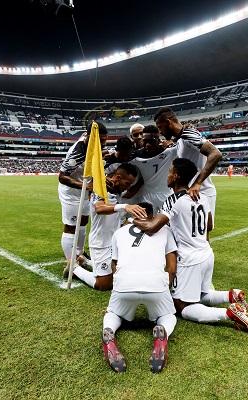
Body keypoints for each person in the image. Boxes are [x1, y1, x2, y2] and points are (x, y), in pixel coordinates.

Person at [131, 158, 248, 336]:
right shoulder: (202, 196)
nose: (167, 176)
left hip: (189, 259)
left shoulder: (172, 200)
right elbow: (209, 225)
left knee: (180, 305)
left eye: (169, 172)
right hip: (206, 253)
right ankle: (232, 295)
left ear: (175, 176)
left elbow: (153, 227)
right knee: (200, 294)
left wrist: (133, 219)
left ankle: (229, 313)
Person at [102, 202, 178, 373]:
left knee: (113, 313)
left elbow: (115, 264)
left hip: (124, 285)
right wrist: (166, 289)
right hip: (156, 285)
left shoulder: (119, 232)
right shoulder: (165, 230)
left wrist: (119, 289)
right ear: (152, 216)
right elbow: (172, 267)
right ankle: (163, 330)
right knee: (168, 315)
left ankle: (109, 330)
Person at [65, 163, 147, 291]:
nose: (127, 187)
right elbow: (99, 208)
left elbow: (130, 193)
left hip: (114, 242)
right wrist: (125, 206)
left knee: (120, 277)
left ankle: (85, 262)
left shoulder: (117, 189)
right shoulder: (100, 189)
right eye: (127, 183)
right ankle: (73, 267)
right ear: (118, 178)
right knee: (104, 285)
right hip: (100, 243)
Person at [154, 107, 223, 225]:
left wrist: (197, 183)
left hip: (202, 192)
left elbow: (216, 154)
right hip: (188, 192)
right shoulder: (181, 139)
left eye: (160, 127)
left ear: (168, 122)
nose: (160, 132)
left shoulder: (188, 135)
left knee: (201, 234)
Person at [57, 120, 107, 267]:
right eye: (101, 141)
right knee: (71, 226)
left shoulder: (89, 142)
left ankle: (79, 254)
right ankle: (70, 261)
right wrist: (86, 186)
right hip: (72, 194)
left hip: (84, 192)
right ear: (90, 138)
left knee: (83, 222)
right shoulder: (77, 153)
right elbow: (62, 177)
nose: (104, 144)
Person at [124, 125, 178, 211]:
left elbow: (187, 144)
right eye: (145, 141)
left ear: (159, 140)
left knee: (170, 223)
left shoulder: (169, 151)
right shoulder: (136, 156)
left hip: (166, 195)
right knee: (145, 221)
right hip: (147, 196)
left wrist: (187, 128)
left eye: (152, 141)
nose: (148, 145)